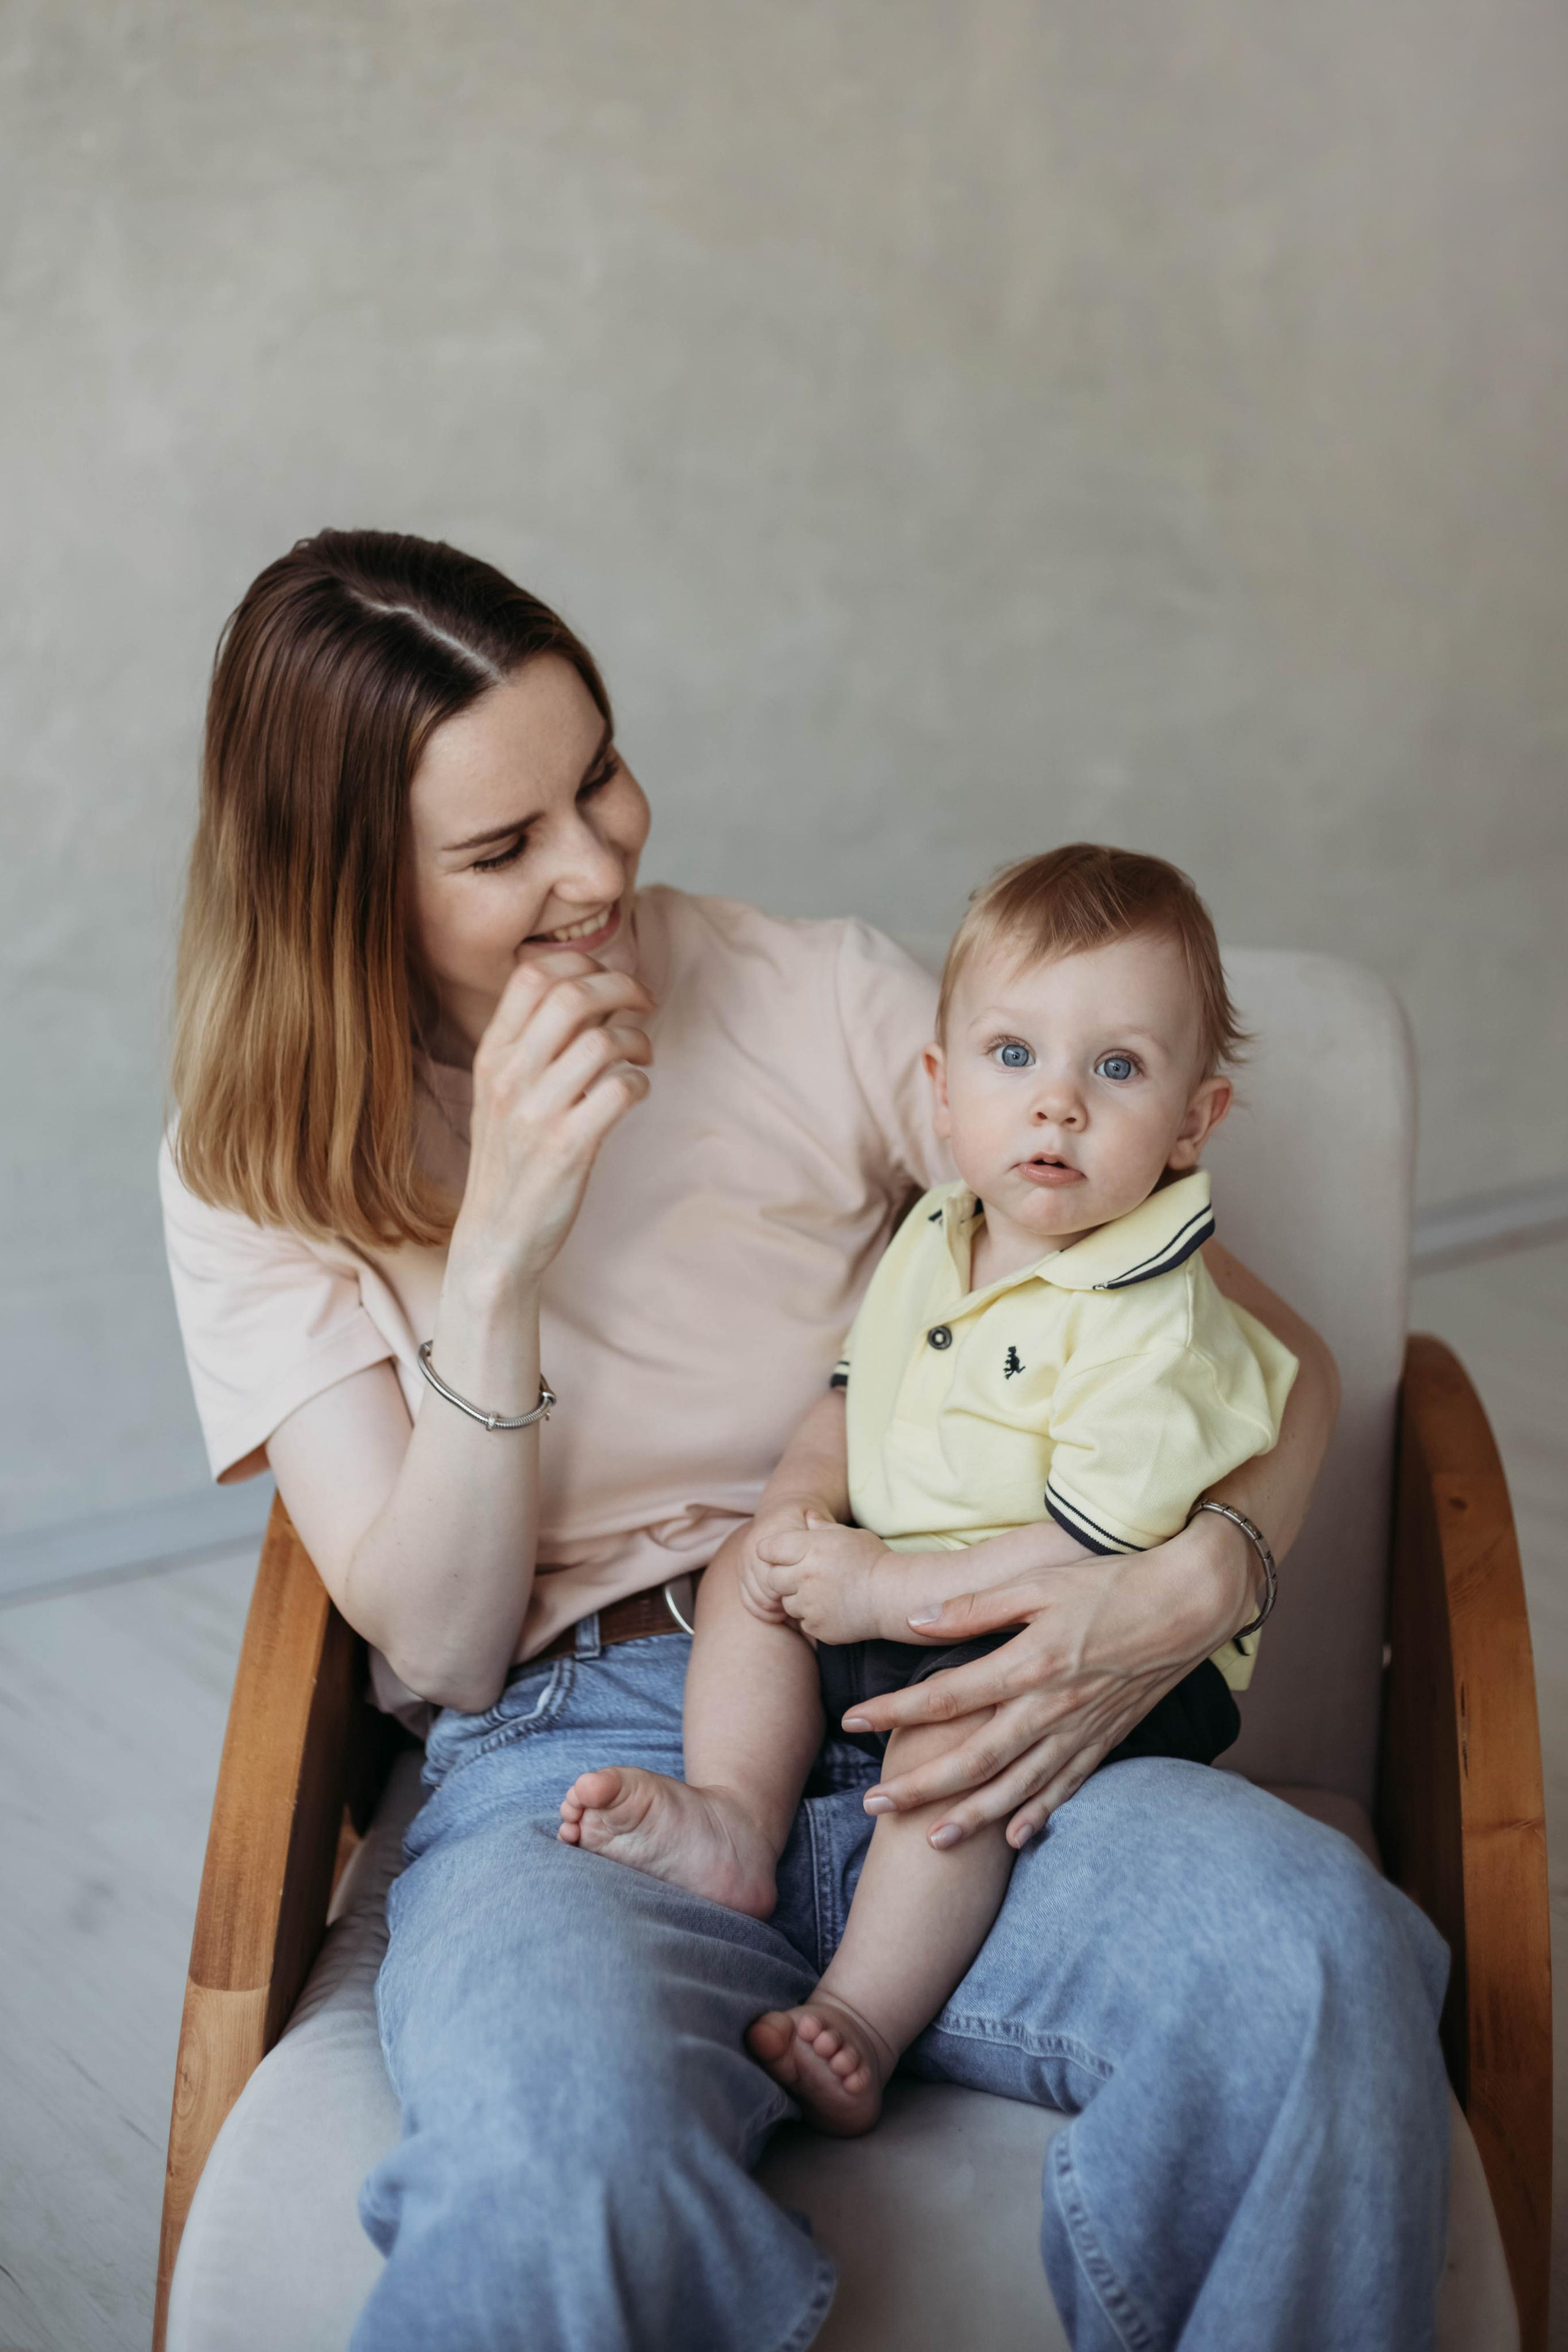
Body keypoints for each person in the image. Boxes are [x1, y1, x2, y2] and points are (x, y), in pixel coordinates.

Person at [162, 528, 1450, 2351]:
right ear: (344, 887)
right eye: (504, 846)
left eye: (599, 774)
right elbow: (437, 1645)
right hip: (581, 1768)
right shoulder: (255, 1165)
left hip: (954, 1694)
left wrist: (1195, 1579)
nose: (600, 862)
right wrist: (501, 1249)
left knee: (1312, 1957)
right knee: (557, 2166)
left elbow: (1268, 1356)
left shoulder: (804, 997)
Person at [558, 843, 1299, 2137]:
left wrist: (886, 1590)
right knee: (743, 1575)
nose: (1056, 1105)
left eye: (1117, 1069)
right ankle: (733, 1817)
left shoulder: (1151, 1313)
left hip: (1085, 1644)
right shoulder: (936, 1232)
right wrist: (796, 1514)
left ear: (1195, 1120)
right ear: (942, 1091)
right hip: (905, 1599)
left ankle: (863, 2010)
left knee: (950, 1740)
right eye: (1013, 1056)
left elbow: (1089, 1551)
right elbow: (852, 1399)